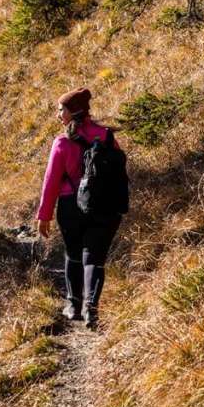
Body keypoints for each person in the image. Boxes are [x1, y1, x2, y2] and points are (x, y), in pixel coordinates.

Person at [36, 87, 123, 330]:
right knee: (94, 259)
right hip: (104, 207)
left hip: (70, 206)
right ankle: (90, 310)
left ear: (72, 112)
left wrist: (44, 215)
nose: (57, 114)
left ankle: (73, 305)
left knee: (73, 255)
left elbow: (51, 180)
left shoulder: (62, 142)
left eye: (60, 109)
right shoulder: (106, 137)